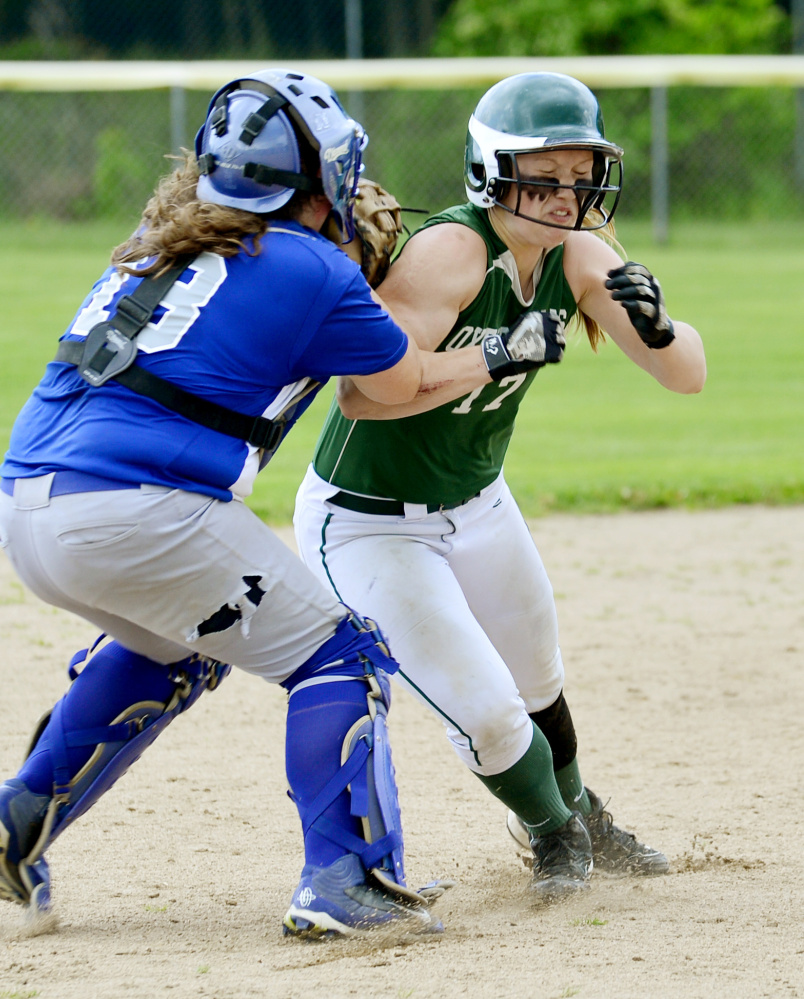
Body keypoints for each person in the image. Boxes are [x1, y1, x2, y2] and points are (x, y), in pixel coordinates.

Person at [0, 68, 513, 937]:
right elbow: (404, 379)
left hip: (26, 503)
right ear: (320, 174)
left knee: (182, 648)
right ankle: (346, 881)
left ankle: (23, 812)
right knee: (344, 655)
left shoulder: (167, 233)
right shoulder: (317, 266)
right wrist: (507, 349)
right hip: (134, 506)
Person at [293, 72, 707, 902]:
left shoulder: (582, 250)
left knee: (538, 677)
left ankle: (580, 810)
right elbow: (361, 396)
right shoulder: (453, 250)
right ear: (493, 170)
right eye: (543, 175)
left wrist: (663, 327)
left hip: (478, 503)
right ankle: (554, 834)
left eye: (581, 175)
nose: (567, 194)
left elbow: (685, 376)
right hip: (371, 521)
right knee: (486, 712)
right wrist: (494, 353)